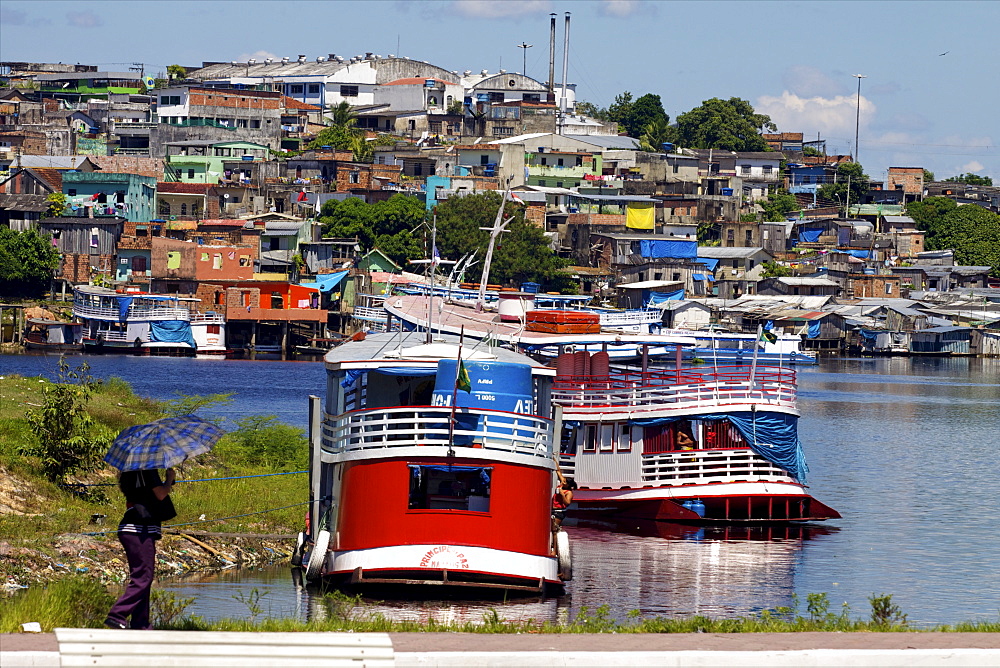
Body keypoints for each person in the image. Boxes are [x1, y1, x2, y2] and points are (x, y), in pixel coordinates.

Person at [105, 467, 175, 630]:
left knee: (144, 577)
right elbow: (161, 494)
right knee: (143, 577)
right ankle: (117, 614)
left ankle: (141, 623)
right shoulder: (147, 470)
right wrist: (170, 478)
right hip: (139, 530)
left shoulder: (131, 473)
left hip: (133, 529)